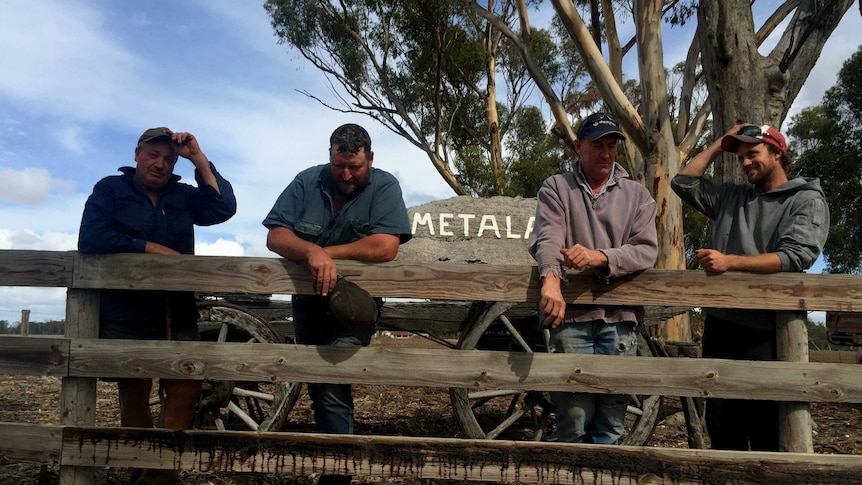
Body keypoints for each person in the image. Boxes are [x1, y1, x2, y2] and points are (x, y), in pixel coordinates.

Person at [78, 127, 236, 484]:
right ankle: (139, 468)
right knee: (134, 391)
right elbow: (91, 237)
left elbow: (222, 207)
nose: (160, 164)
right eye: (153, 155)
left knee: (185, 384)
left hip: (176, 307)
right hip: (126, 308)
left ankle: (161, 473)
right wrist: (147, 248)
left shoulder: (181, 195)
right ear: (136, 154)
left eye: (169, 159)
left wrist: (197, 156)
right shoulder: (111, 189)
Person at [262, 123, 411, 485]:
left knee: (329, 384)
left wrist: (325, 254)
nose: (346, 174)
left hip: (355, 305)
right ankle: (337, 460)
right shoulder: (307, 181)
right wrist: (310, 251)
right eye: (339, 165)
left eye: (355, 167)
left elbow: (385, 246)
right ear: (329, 156)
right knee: (318, 384)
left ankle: (336, 475)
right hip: (308, 303)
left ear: (370, 159)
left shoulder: (385, 185)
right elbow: (276, 235)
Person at [671, 123, 829, 451]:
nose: (745, 163)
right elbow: (683, 181)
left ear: (777, 152)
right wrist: (719, 143)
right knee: (722, 426)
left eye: (752, 154)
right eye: (740, 157)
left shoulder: (805, 200)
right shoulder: (733, 197)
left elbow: (796, 256)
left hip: (767, 331)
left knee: (766, 428)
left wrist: (731, 262)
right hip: (721, 326)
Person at [528, 112, 658, 444]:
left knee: (612, 423)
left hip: (620, 320)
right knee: (573, 419)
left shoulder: (637, 196)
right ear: (578, 147)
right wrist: (552, 279)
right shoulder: (557, 188)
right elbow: (548, 239)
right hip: (570, 319)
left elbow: (645, 250)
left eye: (612, 145)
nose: (605, 153)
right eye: (597, 145)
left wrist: (599, 256)